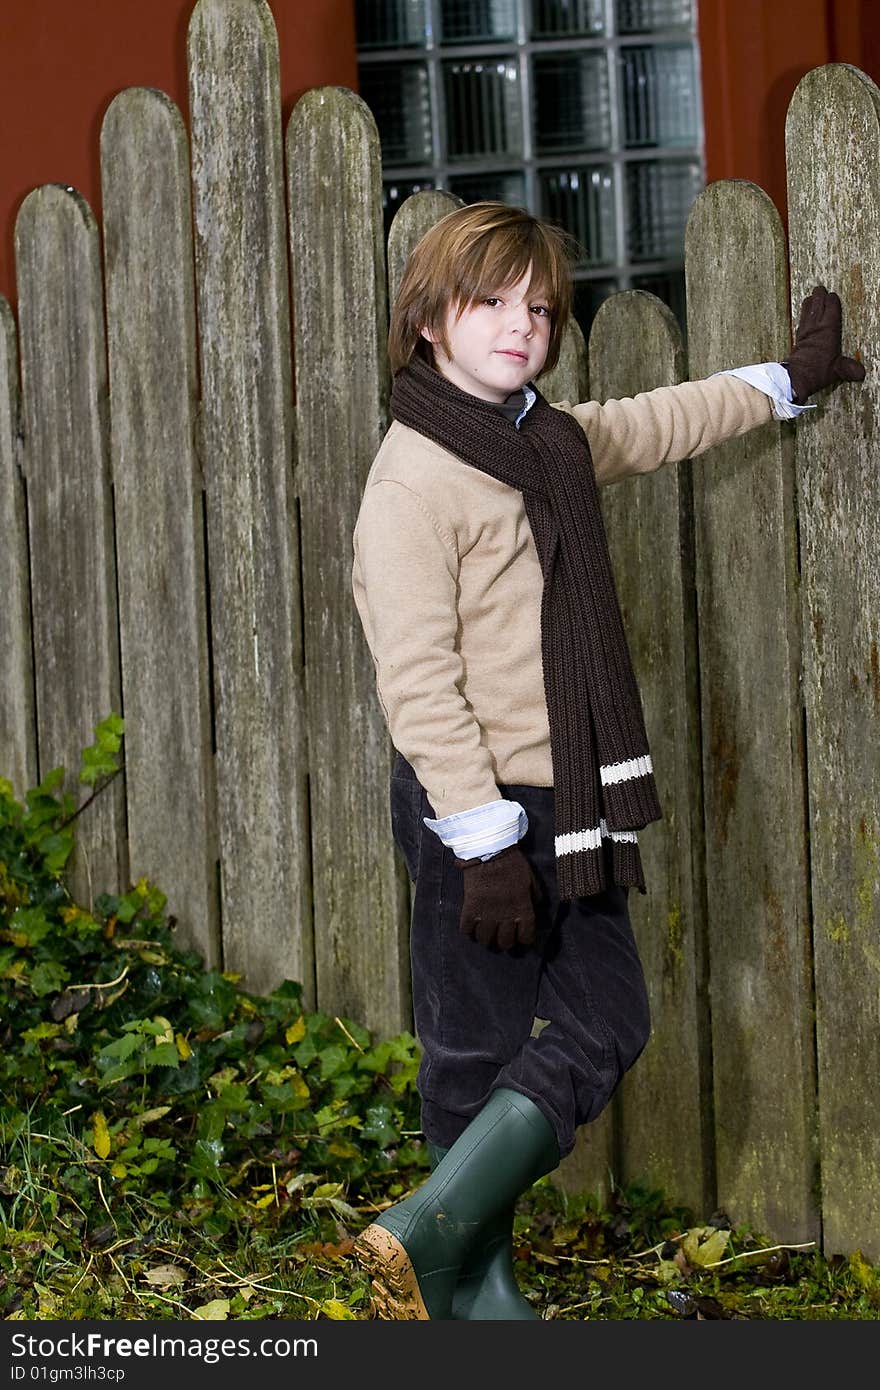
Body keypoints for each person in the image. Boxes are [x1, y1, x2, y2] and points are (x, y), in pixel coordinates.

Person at [350, 201, 864, 1321]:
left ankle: (430, 1234)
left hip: (569, 800)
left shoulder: (550, 445)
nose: (519, 326)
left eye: (538, 307)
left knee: (608, 1018)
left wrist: (784, 378)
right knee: (471, 1050)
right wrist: (481, 841)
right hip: (474, 813)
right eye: (488, 302)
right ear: (430, 320)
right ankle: (468, 1280)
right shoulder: (412, 480)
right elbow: (417, 681)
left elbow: (657, 418)